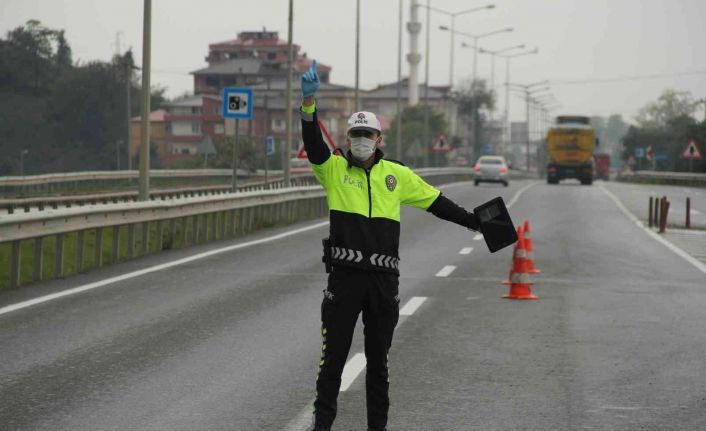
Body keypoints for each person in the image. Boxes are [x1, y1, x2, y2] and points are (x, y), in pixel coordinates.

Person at [300, 60, 481, 431]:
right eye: (356, 135)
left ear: (379, 140)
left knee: (378, 364)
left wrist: (474, 221)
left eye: (368, 135)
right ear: (347, 140)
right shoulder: (333, 170)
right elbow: (314, 146)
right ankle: (322, 426)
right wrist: (308, 104)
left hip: (383, 285)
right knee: (332, 360)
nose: (362, 141)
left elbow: (437, 202)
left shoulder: (397, 175)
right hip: (345, 281)